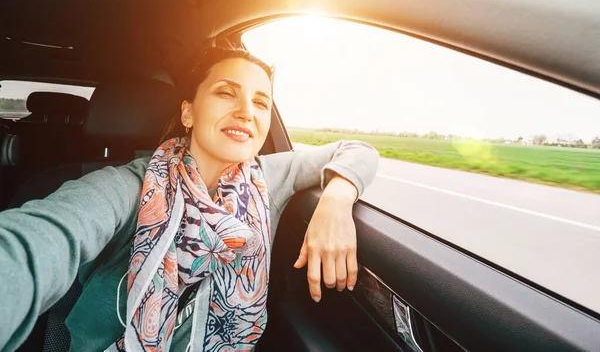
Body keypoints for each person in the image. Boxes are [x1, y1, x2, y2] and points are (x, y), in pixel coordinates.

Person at [0, 47, 379, 351]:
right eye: (226, 93)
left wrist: (336, 200)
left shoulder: (270, 177)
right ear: (188, 112)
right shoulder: (128, 187)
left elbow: (356, 150)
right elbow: (45, 238)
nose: (246, 112)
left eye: (261, 102)